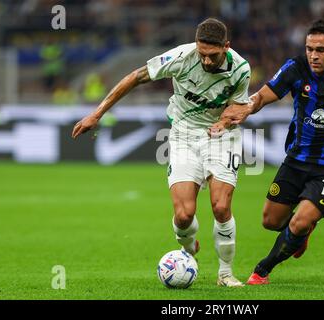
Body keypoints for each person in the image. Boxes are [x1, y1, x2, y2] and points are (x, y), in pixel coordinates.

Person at [210, 19, 324, 285]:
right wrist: (247, 108)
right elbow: (262, 96)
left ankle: (262, 270)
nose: (313, 55)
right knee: (270, 221)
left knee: (298, 223)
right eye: (309, 49)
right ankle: (303, 232)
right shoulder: (295, 68)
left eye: (320, 50)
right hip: (296, 161)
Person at [71, 18, 251, 287]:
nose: (206, 61)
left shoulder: (240, 70)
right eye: (202, 54)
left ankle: (225, 273)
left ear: (226, 46)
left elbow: (239, 108)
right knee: (183, 216)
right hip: (183, 135)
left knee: (221, 206)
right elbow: (135, 77)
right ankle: (189, 250)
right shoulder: (181, 57)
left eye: (212, 55)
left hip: (220, 137)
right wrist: (97, 114)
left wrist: (223, 122)